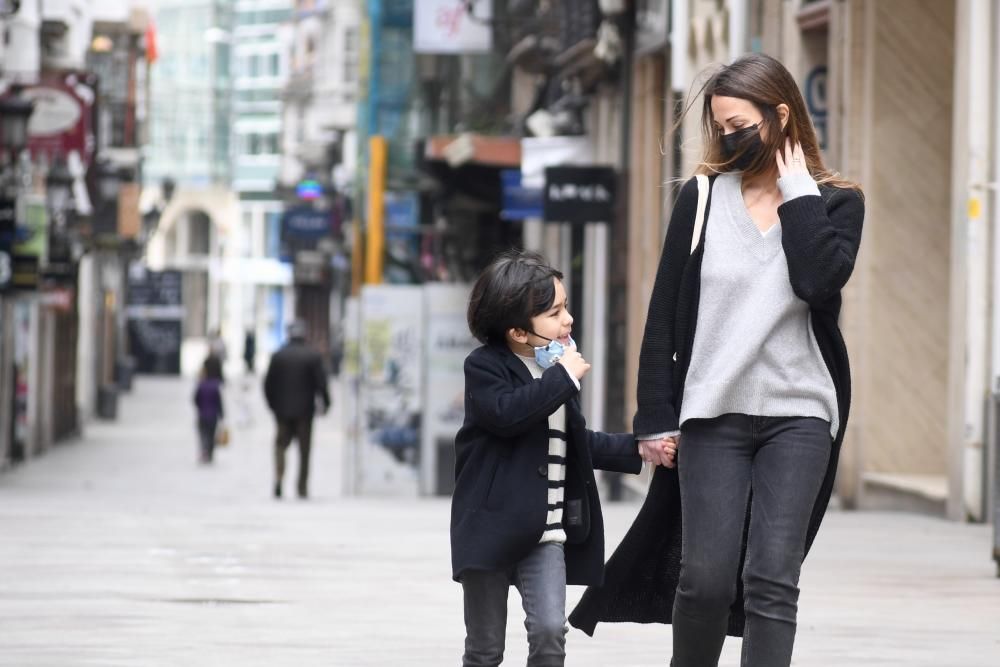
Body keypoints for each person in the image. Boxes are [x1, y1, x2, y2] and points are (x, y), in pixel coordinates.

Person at [569, 53, 865, 667]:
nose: (730, 138)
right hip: (712, 415)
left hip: (800, 414)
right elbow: (664, 314)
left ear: (780, 115)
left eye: (740, 124)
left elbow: (817, 283)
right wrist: (654, 416)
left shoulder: (836, 204)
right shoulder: (702, 198)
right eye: (722, 127)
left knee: (772, 579)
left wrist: (798, 195)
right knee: (704, 578)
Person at [451, 250, 652, 667]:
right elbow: (507, 415)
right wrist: (562, 378)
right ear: (518, 332)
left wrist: (641, 449)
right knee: (485, 649)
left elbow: (574, 442)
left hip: (546, 533)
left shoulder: (555, 373)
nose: (568, 320)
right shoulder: (485, 368)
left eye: (565, 307)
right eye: (555, 312)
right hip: (489, 528)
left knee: (549, 633)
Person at [263, 320, 330, 499]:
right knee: (304, 450)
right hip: (304, 412)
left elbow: (268, 384)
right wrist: (326, 403)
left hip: (282, 411)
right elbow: (321, 384)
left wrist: (272, 405)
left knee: (279, 445)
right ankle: (302, 487)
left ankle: (278, 478)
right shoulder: (312, 356)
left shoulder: (278, 356)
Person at [193, 359, 224, 464]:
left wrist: (200, 407)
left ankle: (204, 450)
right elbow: (219, 402)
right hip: (213, 416)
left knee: (203, 435)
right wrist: (222, 414)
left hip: (202, 415)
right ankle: (210, 453)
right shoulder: (215, 386)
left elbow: (196, 399)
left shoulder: (201, 385)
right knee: (211, 435)